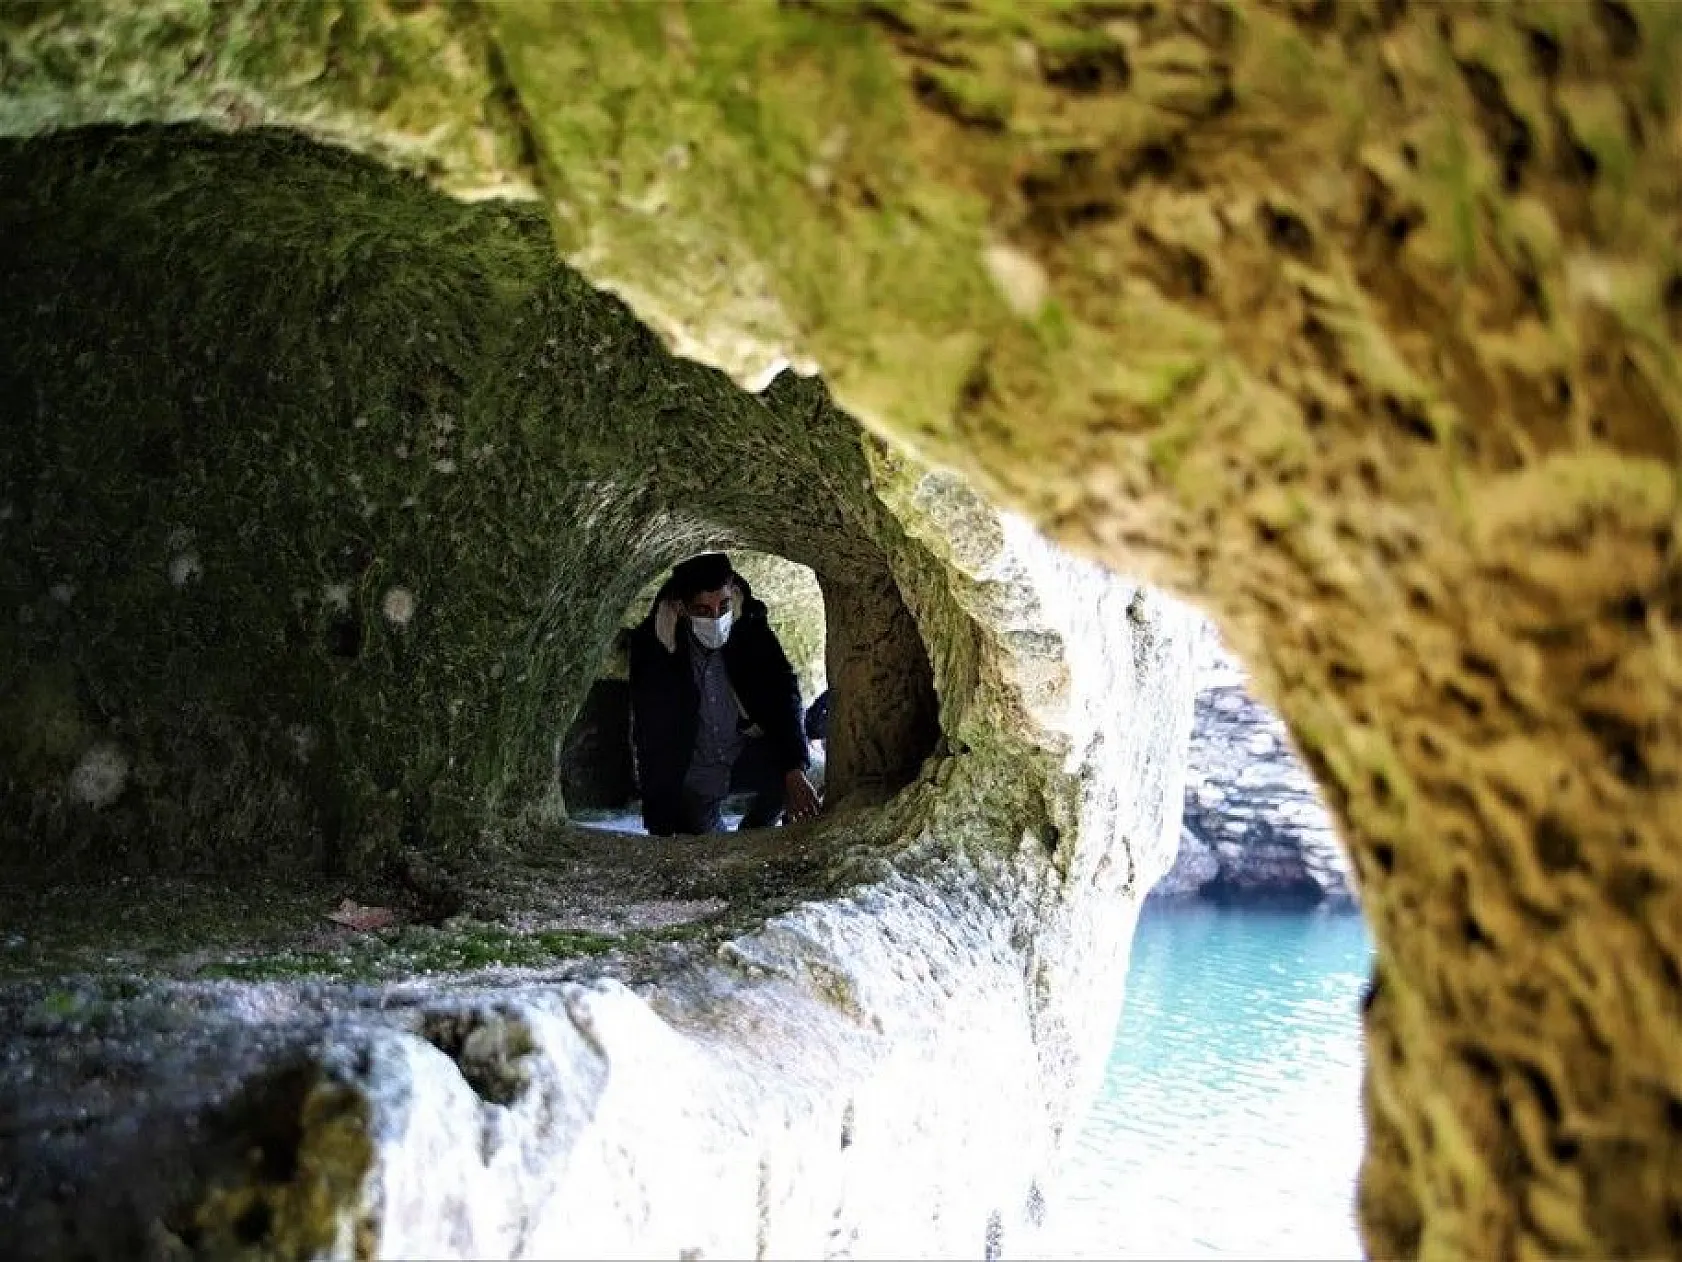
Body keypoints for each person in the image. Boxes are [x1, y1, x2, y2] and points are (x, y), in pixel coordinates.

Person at [627, 552, 822, 836]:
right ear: (681, 608)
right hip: (694, 774)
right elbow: (649, 732)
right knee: (706, 844)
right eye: (703, 611)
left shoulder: (750, 626)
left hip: (743, 752)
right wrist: (659, 815)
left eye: (724, 606)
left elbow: (782, 694)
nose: (717, 618)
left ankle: (754, 832)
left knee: (795, 778)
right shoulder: (654, 647)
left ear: (732, 590)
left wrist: (794, 768)